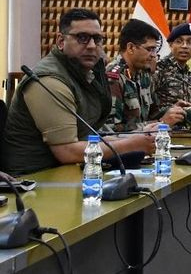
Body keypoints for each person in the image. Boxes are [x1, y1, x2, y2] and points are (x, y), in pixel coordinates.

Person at [2, 9, 154, 176]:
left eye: (97, 39)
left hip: (67, 171)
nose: (91, 46)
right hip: (33, 178)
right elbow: (67, 151)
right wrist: (131, 145)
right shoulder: (49, 81)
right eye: (82, 38)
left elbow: (88, 135)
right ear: (61, 41)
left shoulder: (83, 74)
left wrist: (138, 138)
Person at [106, 19, 186, 132]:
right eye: (150, 49)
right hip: (124, 143)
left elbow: (153, 114)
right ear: (131, 48)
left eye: (154, 50)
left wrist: (175, 111)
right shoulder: (113, 77)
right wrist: (161, 123)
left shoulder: (143, 74)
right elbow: (111, 129)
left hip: (147, 140)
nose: (154, 55)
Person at [153, 23, 191, 113]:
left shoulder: (187, 71)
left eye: (190, 42)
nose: (185, 46)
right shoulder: (159, 68)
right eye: (179, 41)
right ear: (170, 45)